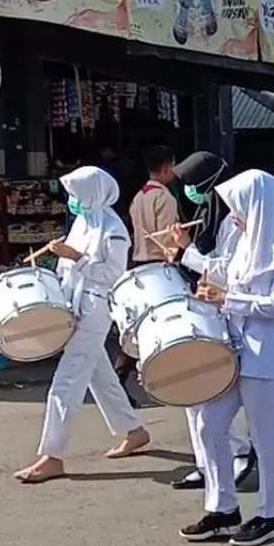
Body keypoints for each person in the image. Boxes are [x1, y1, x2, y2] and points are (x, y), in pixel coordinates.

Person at [174, 169, 274, 546]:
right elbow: (225, 271)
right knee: (209, 425)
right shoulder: (248, 241)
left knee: (264, 436)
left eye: (240, 207)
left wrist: (227, 299)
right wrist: (188, 256)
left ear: (260, 206)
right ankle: (223, 508)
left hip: (264, 354)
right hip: (232, 346)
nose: (235, 215)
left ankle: (271, 514)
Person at [13, 166, 151, 484]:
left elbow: (113, 275)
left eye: (76, 194)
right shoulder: (83, 223)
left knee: (67, 381)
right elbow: (69, 267)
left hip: (96, 309)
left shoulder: (113, 229)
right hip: (76, 305)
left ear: (92, 194)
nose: (72, 200)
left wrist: (77, 257)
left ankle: (52, 455)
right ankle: (133, 430)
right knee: (98, 374)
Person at [166, 152, 255, 492]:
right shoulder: (208, 213)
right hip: (204, 306)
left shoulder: (234, 221)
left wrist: (187, 250)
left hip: (226, 309)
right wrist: (181, 252)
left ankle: (238, 453)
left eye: (192, 184)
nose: (188, 191)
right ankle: (204, 463)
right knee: (192, 391)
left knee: (216, 390)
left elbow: (227, 270)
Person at [112, 145, 181, 405]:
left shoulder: (139, 196)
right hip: (159, 266)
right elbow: (167, 238)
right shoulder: (164, 197)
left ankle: (120, 377)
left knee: (137, 326)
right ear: (165, 168)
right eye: (173, 166)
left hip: (138, 264)